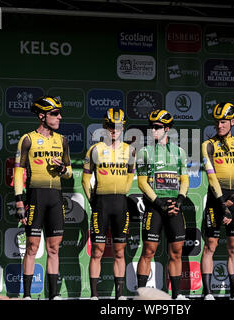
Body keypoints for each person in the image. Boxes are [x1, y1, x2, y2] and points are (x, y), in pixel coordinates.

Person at [13, 96, 72, 300]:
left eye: (59, 113)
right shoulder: (27, 139)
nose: (59, 117)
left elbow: (70, 173)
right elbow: (18, 171)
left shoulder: (62, 140)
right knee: (32, 247)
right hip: (35, 196)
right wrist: (19, 201)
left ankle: (54, 295)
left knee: (54, 247)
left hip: (55, 197)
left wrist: (63, 168)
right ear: (42, 116)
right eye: (55, 114)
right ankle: (27, 295)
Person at [81, 108, 135, 300]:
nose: (114, 130)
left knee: (120, 251)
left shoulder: (129, 150)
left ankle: (119, 296)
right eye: (111, 126)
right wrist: (92, 200)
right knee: (97, 250)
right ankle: (94, 295)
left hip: (120, 203)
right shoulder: (95, 150)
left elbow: (130, 175)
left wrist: (123, 191)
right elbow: (85, 180)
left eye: (118, 127)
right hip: (101, 204)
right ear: (105, 127)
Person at [136, 109, 189, 300]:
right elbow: (142, 182)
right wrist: (159, 203)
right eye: (151, 127)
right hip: (154, 207)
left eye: (157, 127)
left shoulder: (180, 152)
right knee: (148, 251)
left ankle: (177, 295)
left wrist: (180, 201)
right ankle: (141, 295)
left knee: (176, 252)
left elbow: (184, 180)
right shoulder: (144, 151)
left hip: (174, 205)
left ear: (167, 129)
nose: (153, 131)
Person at [200, 103, 234, 300]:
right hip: (216, 198)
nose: (219, 125)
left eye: (223, 121)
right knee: (210, 245)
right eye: (217, 122)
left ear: (232, 121)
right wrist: (223, 203)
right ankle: (207, 293)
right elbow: (211, 177)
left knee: (233, 247)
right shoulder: (208, 144)